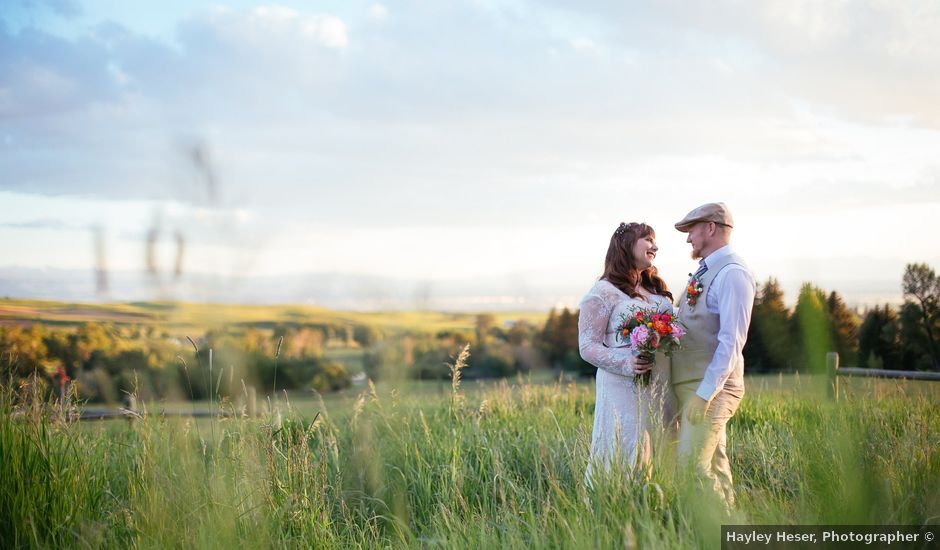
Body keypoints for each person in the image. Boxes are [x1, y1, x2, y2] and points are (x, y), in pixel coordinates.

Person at [671, 202, 756, 508]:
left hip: (713, 389)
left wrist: (705, 394)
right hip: (697, 385)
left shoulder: (733, 274)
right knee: (716, 465)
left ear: (710, 228)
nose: (687, 238)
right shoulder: (707, 270)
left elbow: (731, 342)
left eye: (691, 229)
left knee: (691, 467)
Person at [578, 222, 675, 481]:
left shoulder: (655, 291)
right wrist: (626, 363)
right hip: (623, 387)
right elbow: (587, 347)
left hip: (662, 385)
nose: (655, 246)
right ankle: (617, 507)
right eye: (648, 240)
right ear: (626, 245)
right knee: (627, 447)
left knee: (664, 446)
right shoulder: (603, 292)